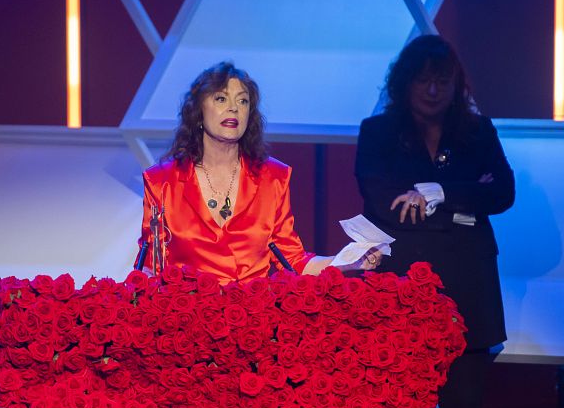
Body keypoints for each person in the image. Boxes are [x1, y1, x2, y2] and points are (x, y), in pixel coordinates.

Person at [354, 35, 515, 408]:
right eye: (424, 81)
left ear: (455, 85)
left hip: (470, 283)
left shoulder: (478, 132)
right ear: (406, 84)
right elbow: (379, 197)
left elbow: (502, 192)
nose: (432, 91)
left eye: (442, 81)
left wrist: (435, 193)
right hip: (404, 284)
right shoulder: (378, 132)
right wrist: (464, 198)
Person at [138, 61, 381, 283]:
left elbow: (293, 260)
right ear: (198, 112)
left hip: (253, 319)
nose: (233, 108)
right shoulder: (162, 181)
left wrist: (347, 260)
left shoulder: (273, 177)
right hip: (189, 317)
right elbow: (151, 267)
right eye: (221, 99)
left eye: (242, 101)